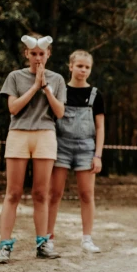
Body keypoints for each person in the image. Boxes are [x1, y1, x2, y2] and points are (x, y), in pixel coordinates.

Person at [0, 34, 67, 263]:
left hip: (45, 136)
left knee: (40, 193)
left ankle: (42, 243)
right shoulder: (15, 76)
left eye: (42, 54)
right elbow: (13, 108)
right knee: (13, 193)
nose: (37, 58)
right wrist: (34, 86)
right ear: (26, 54)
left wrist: (45, 87)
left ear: (48, 54)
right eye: (33, 54)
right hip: (19, 135)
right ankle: (4, 246)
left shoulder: (57, 79)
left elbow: (59, 113)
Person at [47, 50, 106, 254]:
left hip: (86, 148)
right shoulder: (59, 90)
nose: (83, 70)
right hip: (60, 146)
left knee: (86, 194)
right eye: (79, 66)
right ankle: (48, 238)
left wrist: (97, 155)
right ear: (70, 66)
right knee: (54, 194)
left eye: (87, 67)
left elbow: (100, 127)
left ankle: (87, 239)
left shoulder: (96, 95)